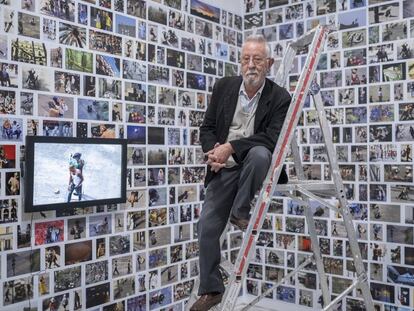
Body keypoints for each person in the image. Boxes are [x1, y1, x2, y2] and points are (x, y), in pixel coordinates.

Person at [190, 35, 291, 311]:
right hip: (224, 168)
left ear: (268, 63)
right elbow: (207, 128)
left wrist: (231, 147)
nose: (251, 65)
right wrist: (213, 152)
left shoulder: (280, 97)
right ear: (240, 61)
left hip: (252, 164)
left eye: (257, 59)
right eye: (246, 59)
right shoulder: (223, 87)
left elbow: (271, 139)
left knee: (261, 154)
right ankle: (211, 289)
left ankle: (241, 210)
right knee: (207, 229)